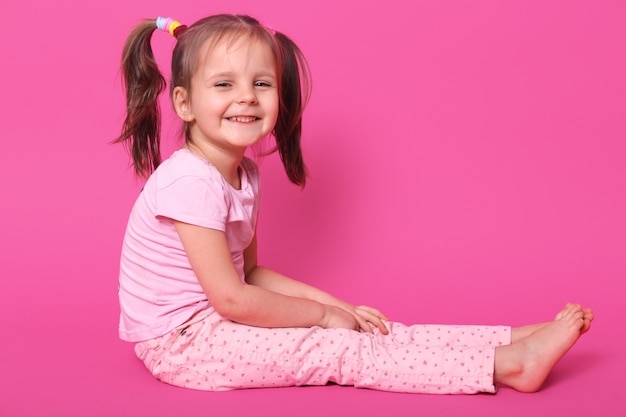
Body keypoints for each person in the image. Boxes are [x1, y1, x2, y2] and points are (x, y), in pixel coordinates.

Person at [115, 14, 593, 394]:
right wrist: (323, 318)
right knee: (338, 349)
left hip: (217, 324)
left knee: (367, 328)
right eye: (224, 85)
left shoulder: (246, 174)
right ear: (183, 103)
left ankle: (508, 339)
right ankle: (507, 367)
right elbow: (232, 297)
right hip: (184, 345)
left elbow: (252, 274)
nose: (247, 97)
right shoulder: (189, 181)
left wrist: (338, 306)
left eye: (261, 83)